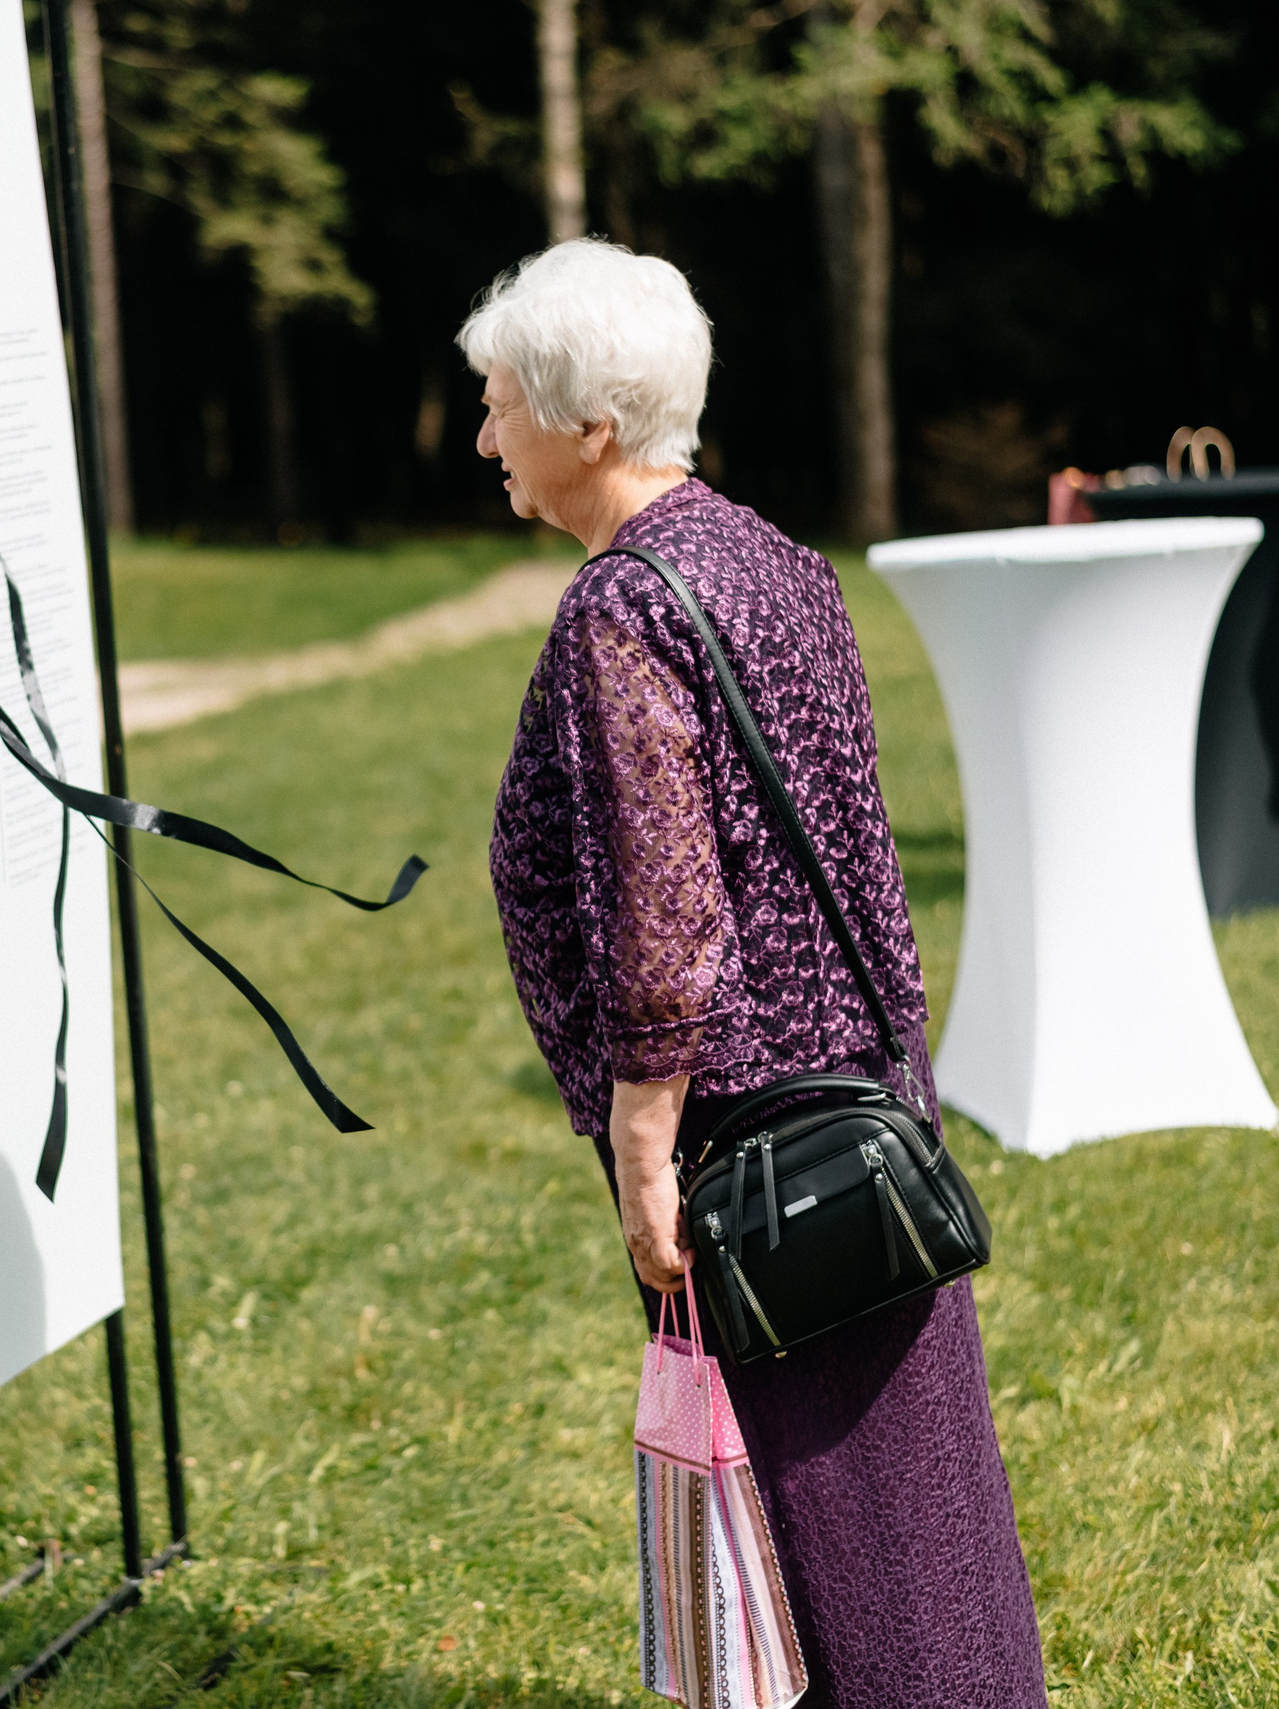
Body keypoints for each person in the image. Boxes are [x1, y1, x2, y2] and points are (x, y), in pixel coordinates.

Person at [466, 239, 1047, 1706]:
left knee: (825, 1535)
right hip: (860, 1096)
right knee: (919, 1514)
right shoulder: (771, 556)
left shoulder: (626, 606)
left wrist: (643, 1146)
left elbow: (666, 910)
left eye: (497, 405)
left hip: (754, 1144)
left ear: (587, 424)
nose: (483, 437)